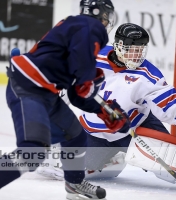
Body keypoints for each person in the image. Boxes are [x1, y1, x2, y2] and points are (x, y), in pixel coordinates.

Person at [0, 1, 131, 199]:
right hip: (28, 88)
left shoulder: (75, 27)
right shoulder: (91, 27)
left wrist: (102, 110)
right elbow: (82, 81)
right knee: (32, 152)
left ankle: (75, 184)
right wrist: (94, 87)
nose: (106, 22)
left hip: (44, 91)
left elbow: (76, 95)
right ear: (102, 15)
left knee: (75, 135)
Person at [36, 23, 176, 181]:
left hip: (137, 127)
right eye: (133, 50)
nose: (138, 55)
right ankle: (111, 158)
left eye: (141, 50)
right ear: (119, 46)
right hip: (95, 132)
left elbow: (168, 103)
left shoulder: (147, 74)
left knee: (171, 163)